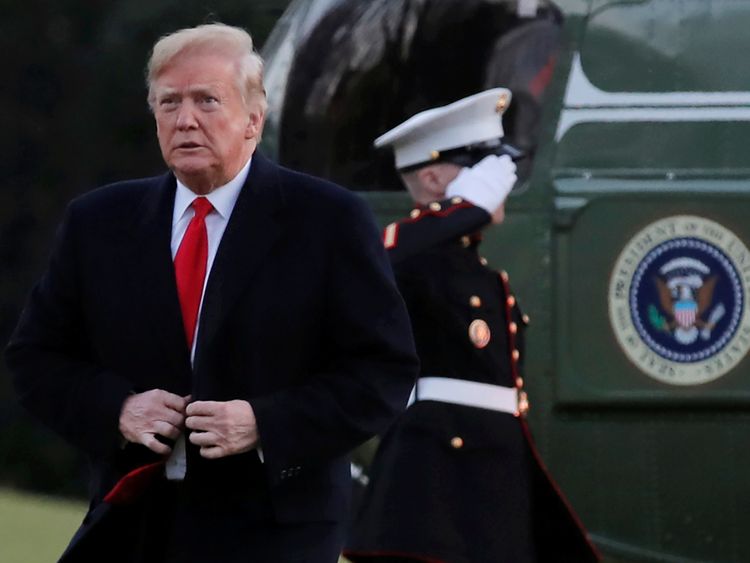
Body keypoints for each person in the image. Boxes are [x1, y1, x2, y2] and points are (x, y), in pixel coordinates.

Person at [6, 23, 418, 563]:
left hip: (275, 529)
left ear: (253, 119)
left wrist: (264, 423)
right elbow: (36, 358)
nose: (186, 119)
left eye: (207, 100)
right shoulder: (98, 223)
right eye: (169, 102)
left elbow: (382, 372)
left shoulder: (328, 221)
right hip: (134, 522)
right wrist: (119, 408)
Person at [345, 89, 600, 563]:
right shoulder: (412, 253)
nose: (500, 184)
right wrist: (464, 209)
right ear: (433, 176)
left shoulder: (478, 271)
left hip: (490, 469)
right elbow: (382, 258)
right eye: (483, 168)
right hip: (438, 475)